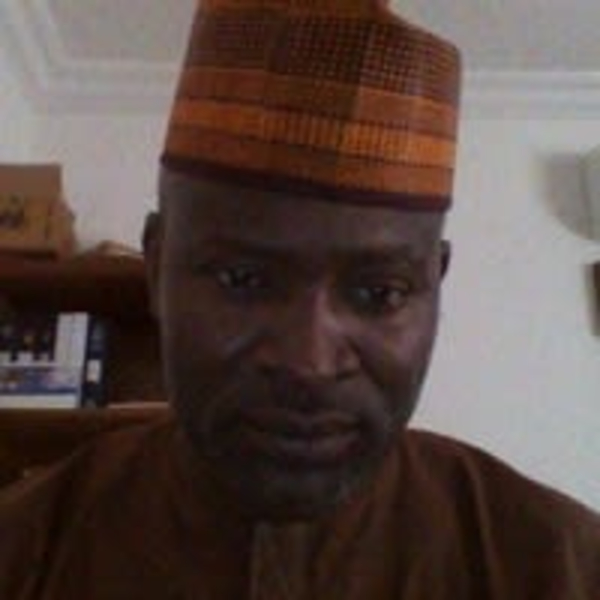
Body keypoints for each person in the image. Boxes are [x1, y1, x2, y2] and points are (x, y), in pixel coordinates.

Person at [1, 1, 599, 598]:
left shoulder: (560, 563)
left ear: (436, 287)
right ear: (156, 268)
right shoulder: (25, 550)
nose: (308, 362)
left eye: (380, 292)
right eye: (242, 279)